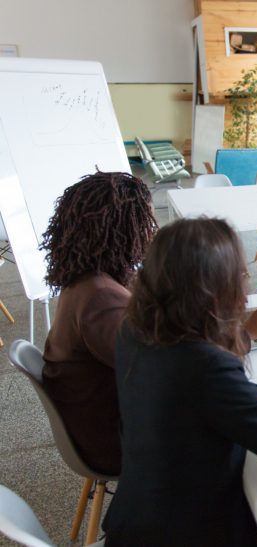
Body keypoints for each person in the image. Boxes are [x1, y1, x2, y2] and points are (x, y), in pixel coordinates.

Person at [104, 218, 257, 546]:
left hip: (137, 518)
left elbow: (195, 403)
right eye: (238, 273)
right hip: (192, 531)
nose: (246, 279)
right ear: (210, 288)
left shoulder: (135, 330)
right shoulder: (207, 367)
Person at [40, 171, 157, 476]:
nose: (150, 232)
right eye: (145, 223)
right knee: (231, 417)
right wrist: (241, 335)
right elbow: (162, 368)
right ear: (123, 229)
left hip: (102, 418)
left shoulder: (90, 277)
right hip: (113, 442)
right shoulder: (101, 299)